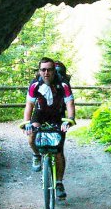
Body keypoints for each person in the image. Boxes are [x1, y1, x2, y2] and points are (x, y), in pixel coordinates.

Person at [22, 57, 75, 200]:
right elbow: (29, 105)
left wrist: (70, 119)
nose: (46, 73)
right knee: (32, 136)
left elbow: (70, 103)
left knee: (58, 151)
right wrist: (26, 122)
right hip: (40, 114)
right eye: (43, 70)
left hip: (58, 115)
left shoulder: (63, 84)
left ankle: (59, 183)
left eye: (49, 70)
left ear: (54, 71)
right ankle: (36, 155)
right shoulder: (35, 84)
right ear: (39, 71)